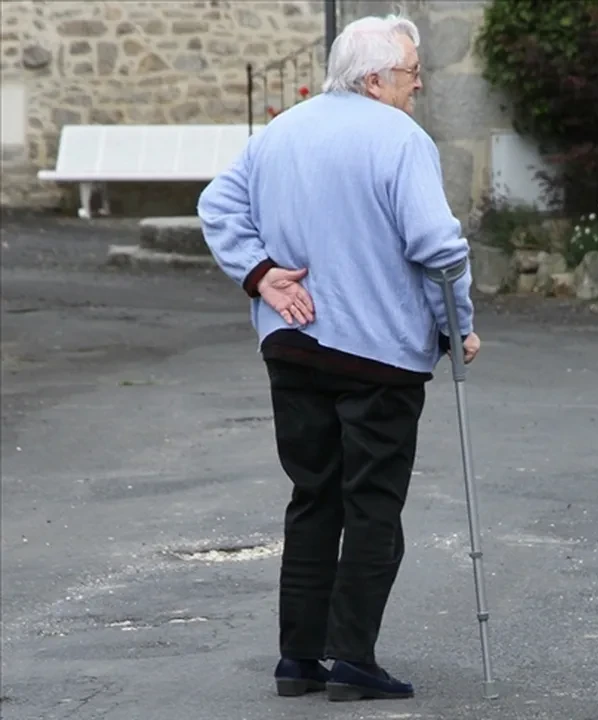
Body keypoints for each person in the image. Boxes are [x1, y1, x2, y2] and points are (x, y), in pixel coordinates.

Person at [197, 13, 480, 702]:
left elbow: (216, 205)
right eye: (412, 75)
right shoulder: (402, 139)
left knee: (313, 496)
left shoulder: (283, 130)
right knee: (373, 506)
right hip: (378, 353)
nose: (417, 87)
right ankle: (353, 658)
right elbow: (438, 247)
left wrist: (261, 273)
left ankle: (299, 658)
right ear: (377, 78)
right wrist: (457, 327)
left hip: (292, 344)